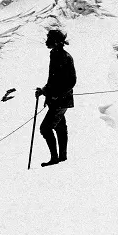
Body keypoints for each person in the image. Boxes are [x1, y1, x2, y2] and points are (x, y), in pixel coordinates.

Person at [35, 29, 76, 166]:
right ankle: (62, 158)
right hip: (58, 100)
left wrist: (56, 95)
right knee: (59, 127)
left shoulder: (65, 57)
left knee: (45, 128)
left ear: (56, 42)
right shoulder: (54, 54)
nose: (46, 41)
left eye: (49, 39)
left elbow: (71, 81)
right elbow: (53, 79)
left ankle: (55, 159)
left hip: (60, 101)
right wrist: (44, 91)